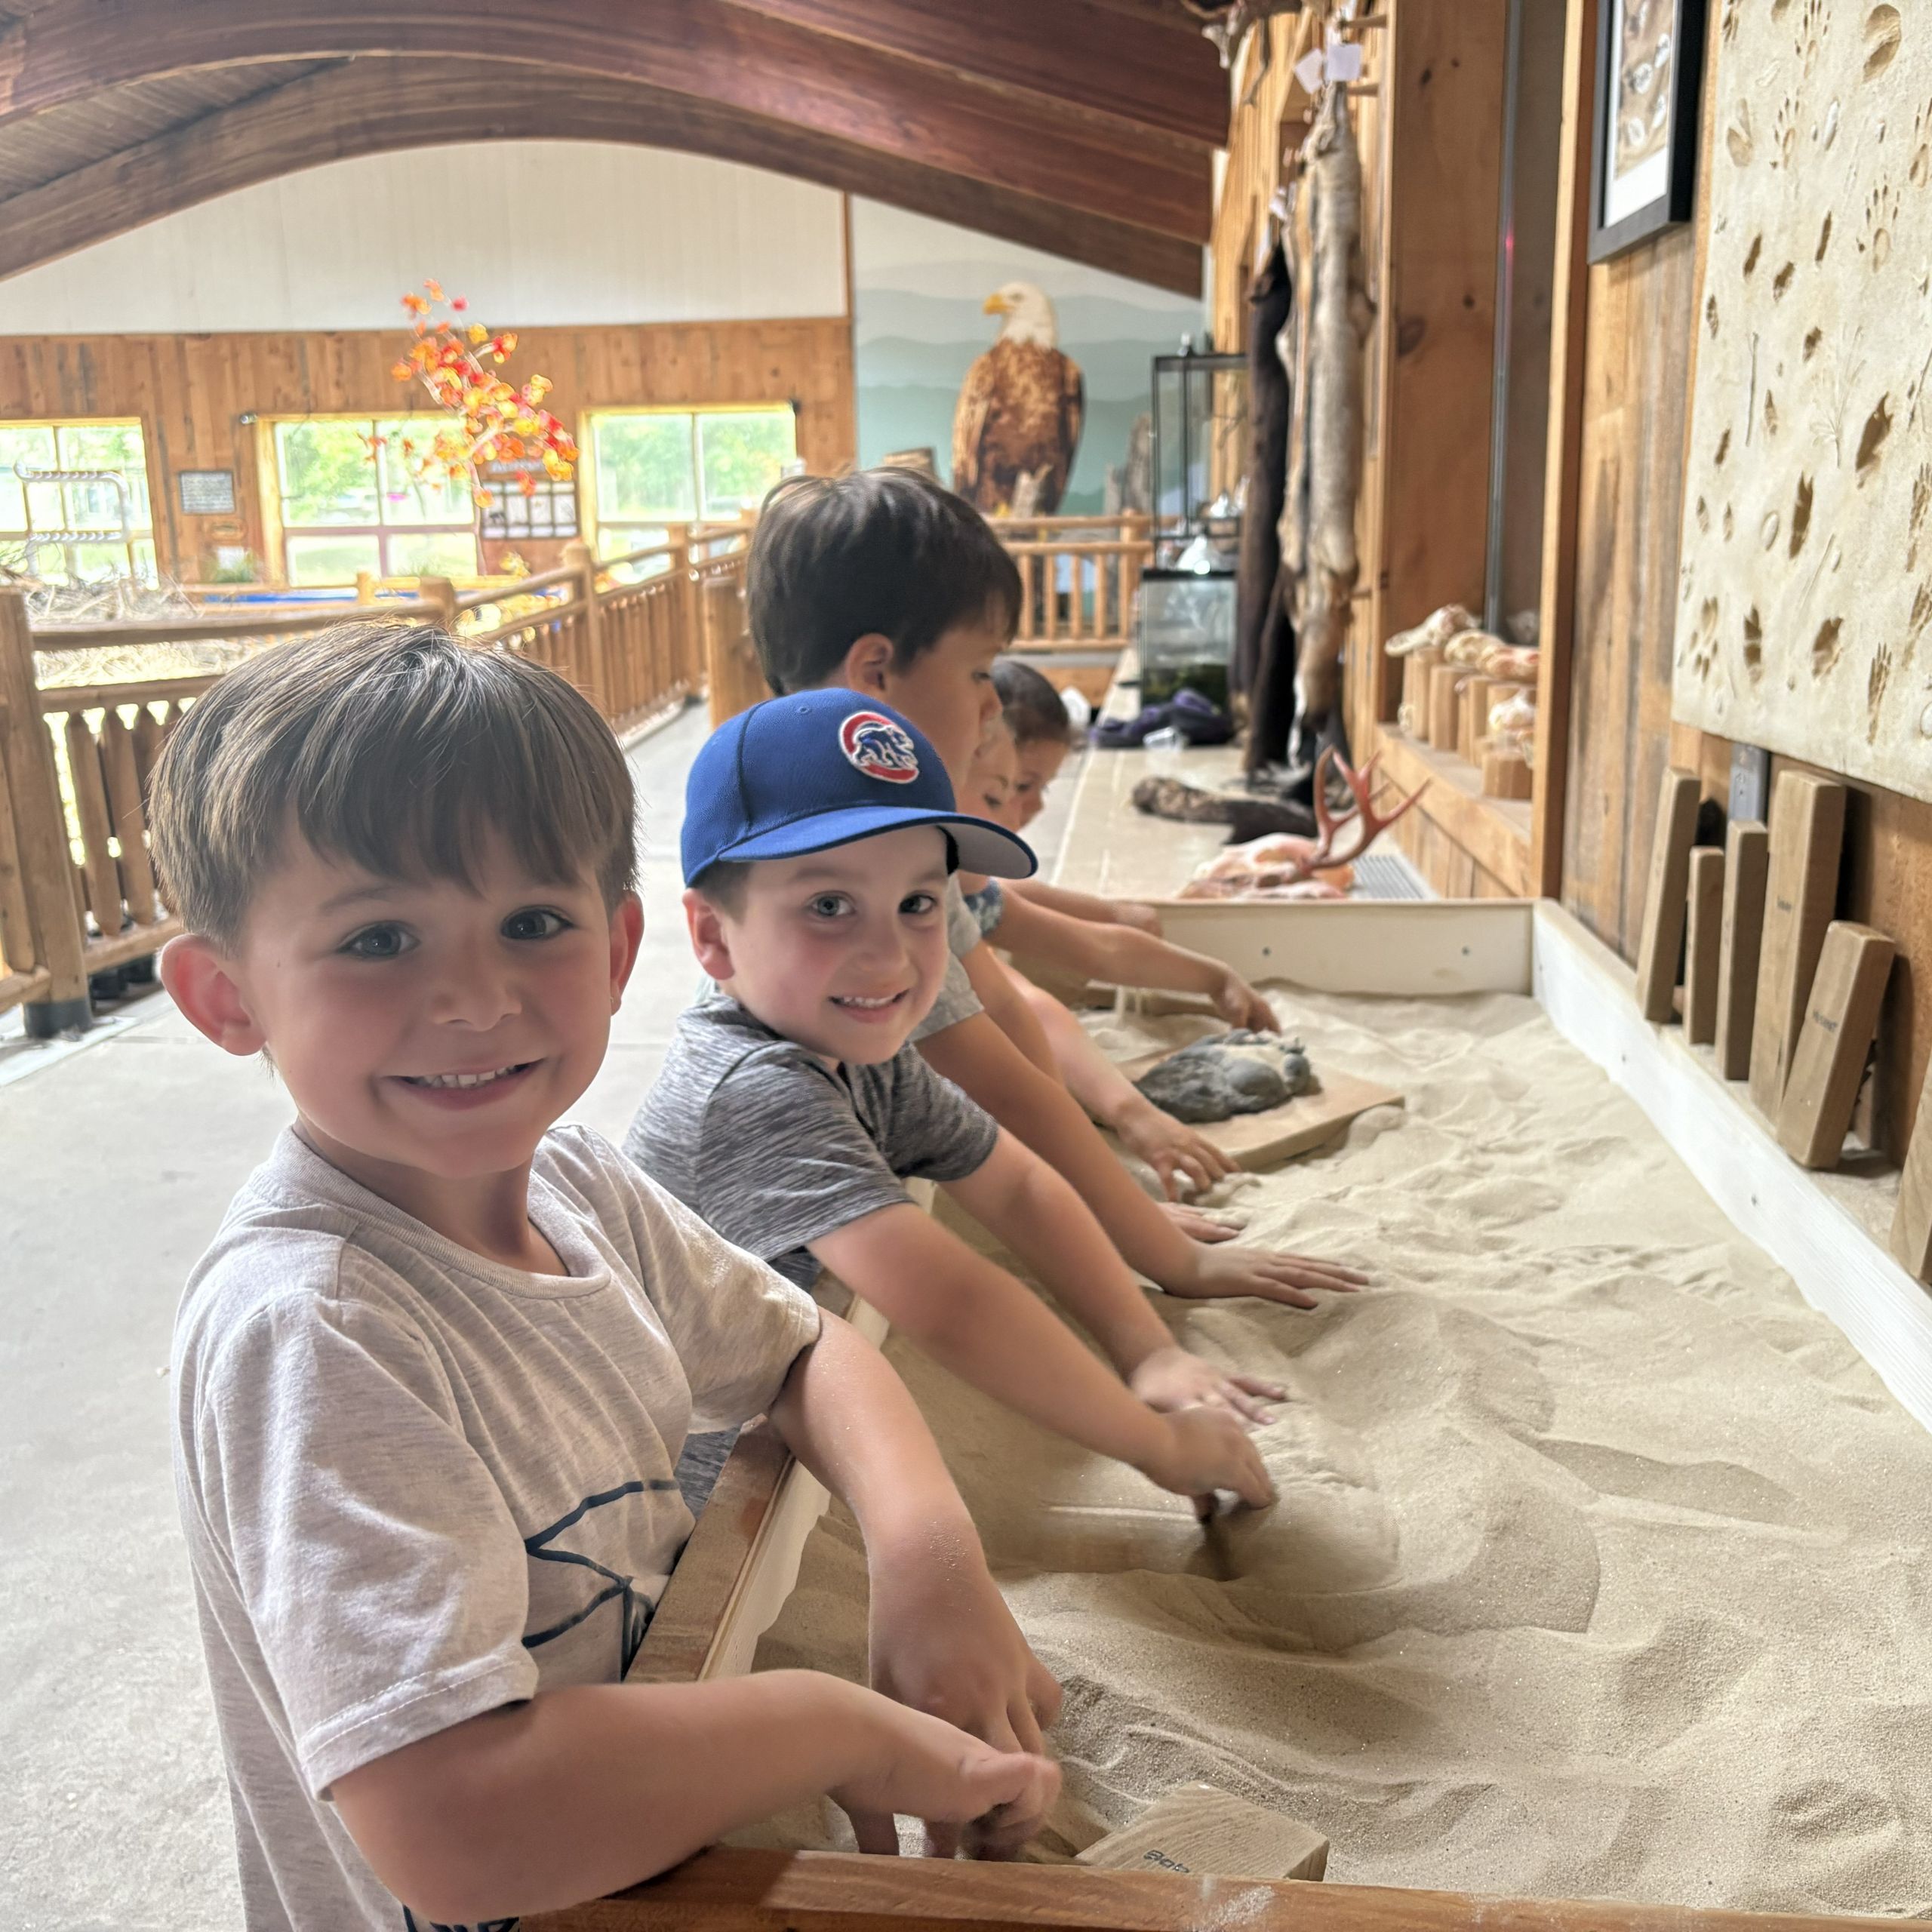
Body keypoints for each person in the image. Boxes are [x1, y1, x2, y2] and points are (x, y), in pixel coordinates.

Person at [152, 624, 1060, 1932]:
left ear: (620, 946)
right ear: (226, 996)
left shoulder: (579, 1187)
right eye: (376, 940)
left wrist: (931, 1560)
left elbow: (809, 1349)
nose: (473, 998)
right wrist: (834, 1730)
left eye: (531, 924)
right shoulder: (316, 1329)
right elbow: (456, 1827)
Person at [743, 466, 1367, 1321]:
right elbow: (1004, 1083)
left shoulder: (898, 828)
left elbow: (1009, 1022)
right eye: (976, 672)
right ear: (875, 673)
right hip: (795, 1279)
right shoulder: (857, 862)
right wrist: (1164, 1254)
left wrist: (1118, 1206)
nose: (990, 701)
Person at [626, 688, 1278, 1506]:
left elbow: (1017, 1182)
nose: (889, 955)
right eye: (829, 906)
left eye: (918, 903)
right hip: (671, 1510)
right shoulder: (747, 1090)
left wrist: (1144, 1348)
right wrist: (1159, 1446)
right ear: (714, 936)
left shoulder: (861, 1052)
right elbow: (951, 1303)